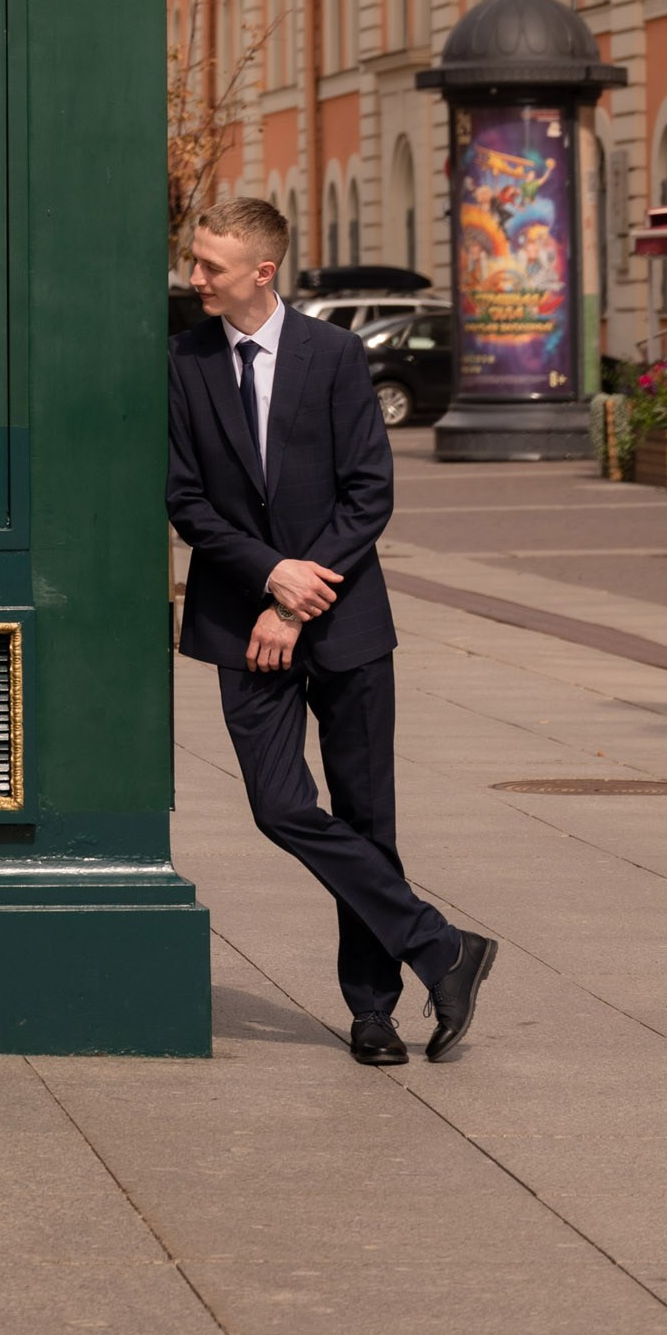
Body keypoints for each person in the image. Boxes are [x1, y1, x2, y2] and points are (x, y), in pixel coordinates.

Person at [166, 194, 497, 1068]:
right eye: (196, 261)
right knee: (280, 805)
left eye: (210, 266)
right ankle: (440, 945)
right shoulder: (184, 362)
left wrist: (294, 597)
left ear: (261, 272)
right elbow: (185, 497)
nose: (195, 277)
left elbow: (368, 494)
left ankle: (374, 1012)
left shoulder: (337, 356)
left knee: (365, 815)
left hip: (344, 622)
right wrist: (265, 576)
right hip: (242, 619)